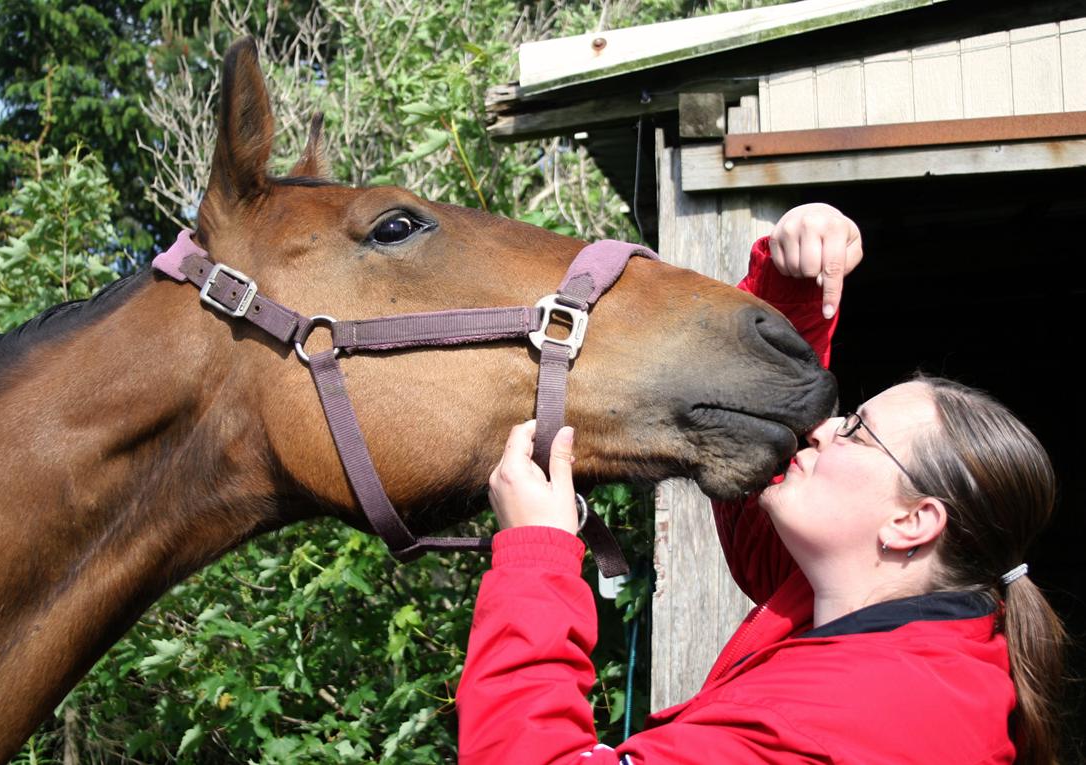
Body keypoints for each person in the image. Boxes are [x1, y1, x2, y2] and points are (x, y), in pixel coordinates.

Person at [456, 204, 1067, 765]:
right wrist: (793, 287)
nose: (823, 428)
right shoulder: (864, 616)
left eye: (856, 431)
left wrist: (536, 556)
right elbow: (758, 475)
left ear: (912, 522)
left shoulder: (856, 720)